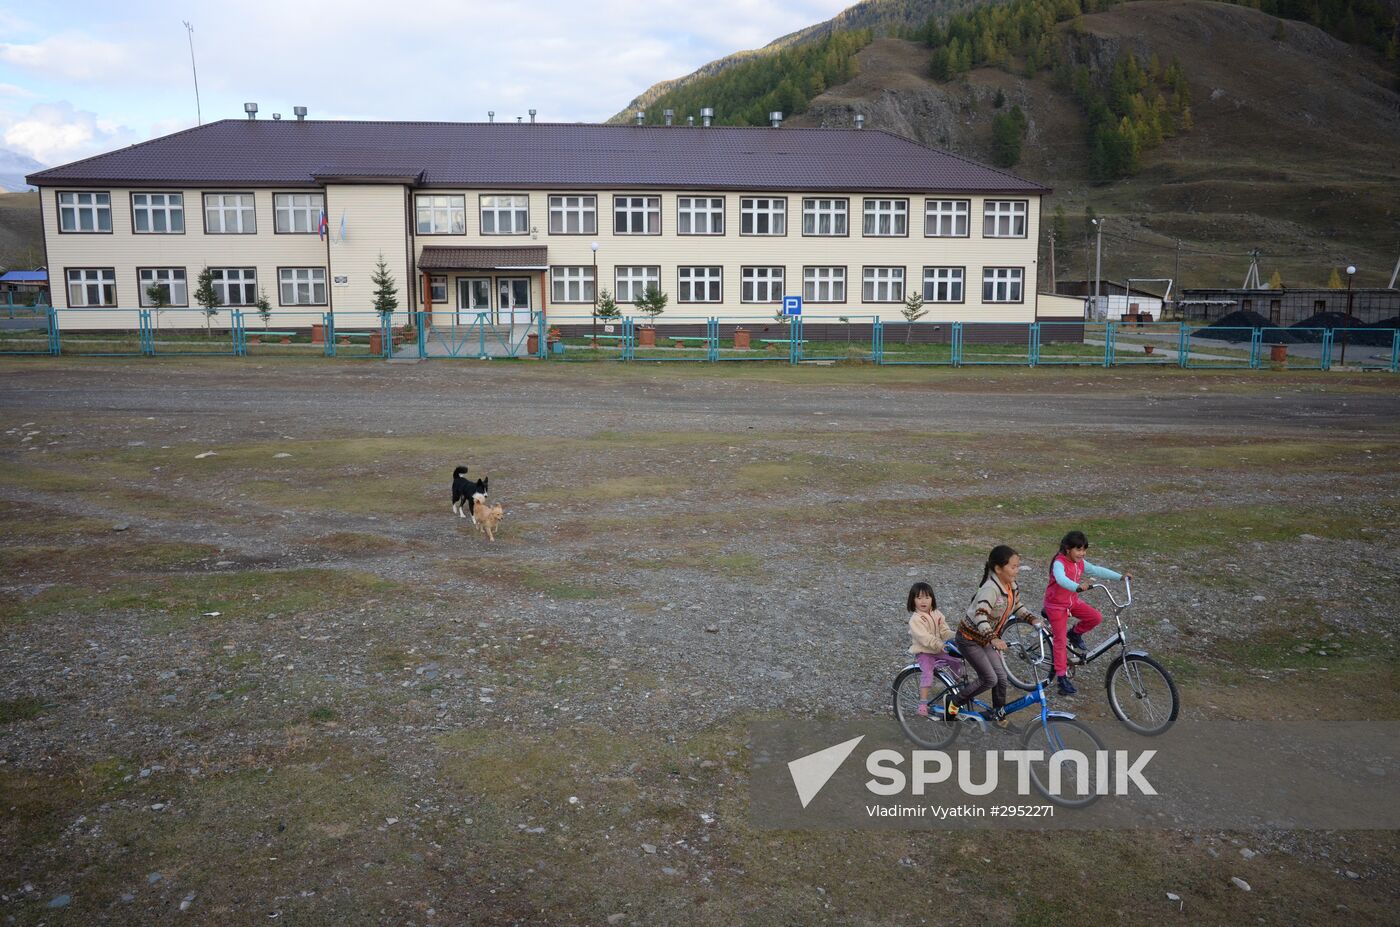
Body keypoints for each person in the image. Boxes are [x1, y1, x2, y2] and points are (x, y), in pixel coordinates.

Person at [952, 545, 1042, 729]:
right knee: (989, 678)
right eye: (1013, 567)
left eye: (1018, 566)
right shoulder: (990, 589)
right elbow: (980, 616)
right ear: (998, 568)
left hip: (985, 639)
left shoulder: (1011, 586)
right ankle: (953, 703)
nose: (1017, 571)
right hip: (969, 639)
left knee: (1001, 677)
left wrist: (1031, 619)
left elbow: (1016, 607)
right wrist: (993, 638)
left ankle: (998, 715)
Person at [1042, 530, 1131, 696]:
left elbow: (1096, 571)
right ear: (1068, 549)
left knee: (1095, 617)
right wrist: (1076, 586)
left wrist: (1120, 577)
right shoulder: (1059, 563)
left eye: (1084, 550)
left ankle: (1075, 634)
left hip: (1072, 602)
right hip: (1056, 606)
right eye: (1078, 550)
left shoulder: (1080, 562)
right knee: (1060, 641)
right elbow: (1061, 579)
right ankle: (1061, 678)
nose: (1082, 553)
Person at [905, 582, 957, 717]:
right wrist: (939, 644)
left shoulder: (937, 613)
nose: (923, 601)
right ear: (913, 600)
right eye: (919, 597)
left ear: (932, 599)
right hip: (925, 651)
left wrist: (956, 636)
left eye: (927, 597)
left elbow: (944, 631)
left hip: (939, 649)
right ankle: (923, 703)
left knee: (957, 661)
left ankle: (956, 688)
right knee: (927, 672)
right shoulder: (915, 619)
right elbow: (924, 638)